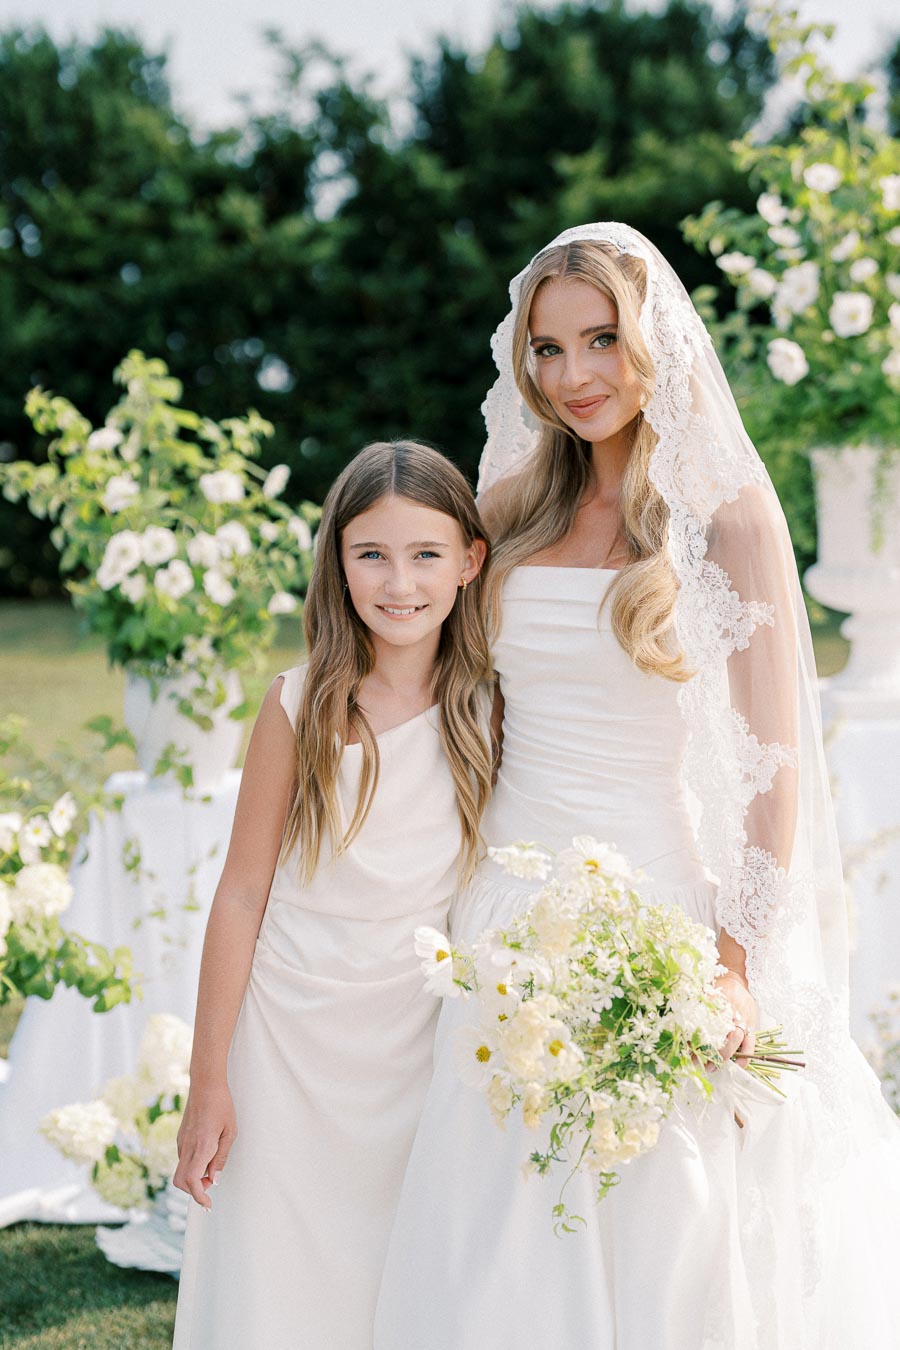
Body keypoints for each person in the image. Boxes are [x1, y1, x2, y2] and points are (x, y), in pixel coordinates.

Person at [374, 225, 900, 1349]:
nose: (574, 377)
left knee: (664, 1213)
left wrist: (737, 962)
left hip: (656, 903)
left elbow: (768, 768)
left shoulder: (727, 520)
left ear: (653, 340)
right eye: (550, 350)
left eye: (602, 339)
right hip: (505, 903)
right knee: (496, 1216)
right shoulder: (509, 509)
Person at [171, 439, 492, 1349]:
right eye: (372, 554)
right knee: (281, 1274)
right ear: (338, 563)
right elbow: (240, 895)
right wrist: (209, 1080)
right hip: (291, 1038)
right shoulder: (299, 701)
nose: (400, 582)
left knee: (399, 1265)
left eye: (427, 554)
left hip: (419, 1038)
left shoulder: (489, 707)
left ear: (470, 561)